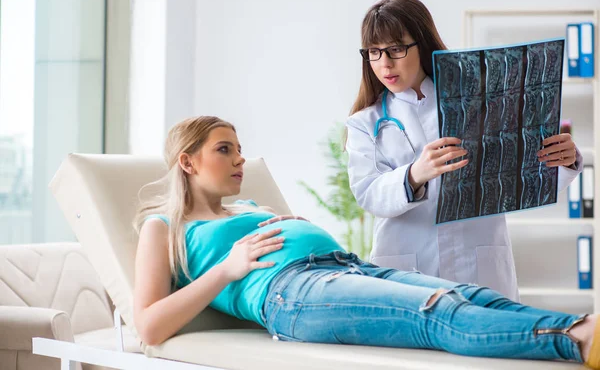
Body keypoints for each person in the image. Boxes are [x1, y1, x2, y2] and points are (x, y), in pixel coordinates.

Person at [133, 115, 599, 367]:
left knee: (468, 294)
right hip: (293, 294)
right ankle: (575, 339)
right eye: (224, 149)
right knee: (435, 310)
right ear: (188, 162)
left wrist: (289, 227)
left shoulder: (246, 208)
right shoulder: (163, 227)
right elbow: (149, 327)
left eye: (238, 147)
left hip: (342, 267)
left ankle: (584, 326)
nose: (240, 158)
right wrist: (228, 268)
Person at [344, 0, 583, 300]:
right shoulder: (365, 123)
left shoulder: (485, 102)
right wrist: (415, 174)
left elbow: (519, 177)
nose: (384, 64)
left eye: (396, 49)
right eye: (374, 53)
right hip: (408, 266)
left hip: (480, 264)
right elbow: (368, 193)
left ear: (422, 42)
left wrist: (560, 161)